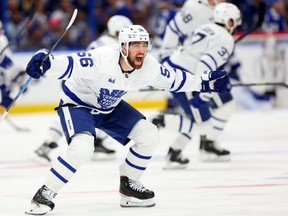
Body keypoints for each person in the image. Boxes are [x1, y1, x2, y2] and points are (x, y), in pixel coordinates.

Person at [24, 24, 230, 214]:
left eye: (144, 45)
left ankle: (129, 186)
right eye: (135, 45)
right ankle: (44, 194)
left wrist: (204, 82)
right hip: (79, 105)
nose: (141, 50)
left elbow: (174, 79)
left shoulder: (148, 66)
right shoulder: (100, 59)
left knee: (149, 135)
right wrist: (45, 61)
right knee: (83, 148)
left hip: (110, 106)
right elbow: (69, 64)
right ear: (123, 47)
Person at [29, 15, 133, 164]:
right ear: (117, 32)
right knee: (81, 113)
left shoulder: (101, 41)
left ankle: (96, 143)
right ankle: (45, 146)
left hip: (81, 80)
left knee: (105, 111)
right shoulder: (113, 46)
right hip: (85, 86)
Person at [152, 2, 242, 169]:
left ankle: (175, 153)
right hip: (184, 77)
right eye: (235, 22)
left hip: (177, 69)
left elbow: (200, 58)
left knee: (196, 119)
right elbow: (205, 65)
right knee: (203, 125)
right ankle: (163, 121)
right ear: (229, 21)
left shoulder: (207, 27)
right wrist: (203, 94)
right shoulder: (225, 38)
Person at [0, 21, 26, 112]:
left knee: (5, 79)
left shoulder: (2, 39)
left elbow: (6, 59)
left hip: (3, 69)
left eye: (1, 29)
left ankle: (4, 99)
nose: (1, 31)